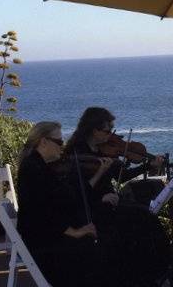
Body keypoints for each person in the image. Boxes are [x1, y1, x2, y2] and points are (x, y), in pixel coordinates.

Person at [64, 107, 171, 285]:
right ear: (93, 130)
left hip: (110, 203)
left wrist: (148, 165)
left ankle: (152, 272)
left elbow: (123, 176)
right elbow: (76, 191)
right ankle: (148, 273)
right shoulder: (77, 154)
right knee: (143, 217)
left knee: (147, 215)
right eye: (106, 131)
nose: (111, 135)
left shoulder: (104, 151)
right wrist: (101, 196)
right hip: (93, 208)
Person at [16, 122, 115, 287]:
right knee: (97, 249)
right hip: (44, 243)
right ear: (43, 142)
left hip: (47, 236)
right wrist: (75, 232)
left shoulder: (41, 166)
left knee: (103, 236)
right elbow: (42, 212)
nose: (62, 147)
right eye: (59, 142)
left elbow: (67, 198)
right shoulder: (33, 169)